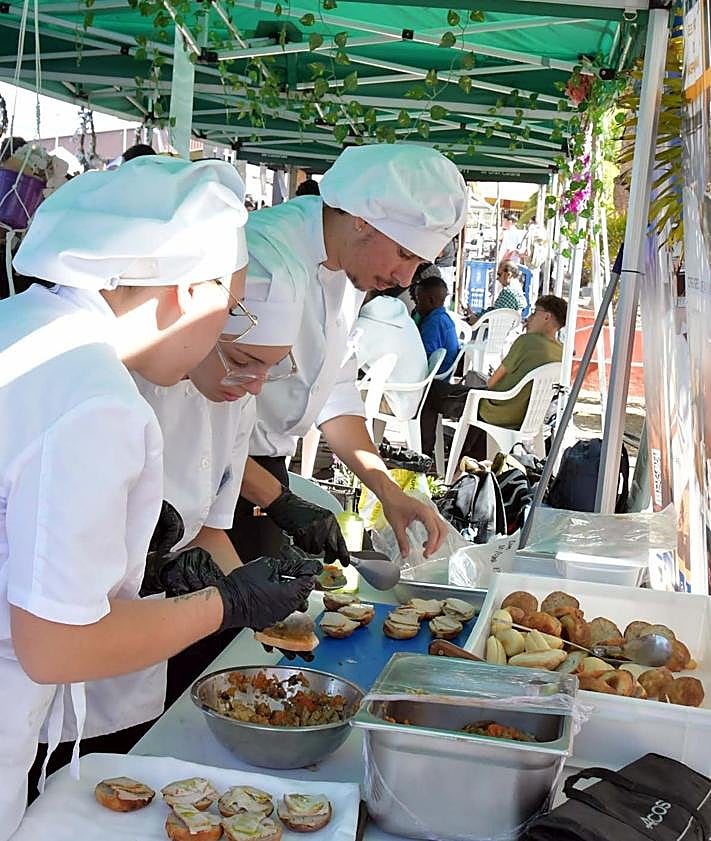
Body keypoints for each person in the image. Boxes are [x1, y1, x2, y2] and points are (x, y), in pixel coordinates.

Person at [0, 156, 315, 838]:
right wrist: (222, 603)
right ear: (187, 291)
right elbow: (55, 645)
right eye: (227, 309)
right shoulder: (94, 397)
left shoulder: (21, 324)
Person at [229, 144, 467, 562]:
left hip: (263, 473)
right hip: (218, 474)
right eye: (404, 254)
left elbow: (335, 390)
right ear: (361, 220)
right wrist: (281, 502)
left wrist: (386, 490)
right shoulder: (265, 258)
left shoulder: (348, 267)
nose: (404, 277)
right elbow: (203, 419)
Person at [420, 294, 567, 459]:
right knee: (472, 395)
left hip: (497, 409)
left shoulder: (527, 341)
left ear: (547, 317)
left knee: (429, 391)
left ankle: (424, 454)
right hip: (525, 417)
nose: (529, 317)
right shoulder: (561, 352)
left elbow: (491, 382)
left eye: (534, 312)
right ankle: (463, 457)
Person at [353, 292, 428, 419]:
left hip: (396, 403)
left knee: (334, 395)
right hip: (414, 397)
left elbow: (341, 367)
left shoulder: (365, 327)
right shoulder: (397, 312)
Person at [413, 269, 460, 374]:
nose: (416, 305)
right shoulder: (444, 318)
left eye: (418, 300)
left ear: (431, 300)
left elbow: (422, 356)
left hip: (433, 376)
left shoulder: (433, 323)